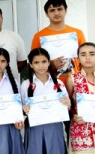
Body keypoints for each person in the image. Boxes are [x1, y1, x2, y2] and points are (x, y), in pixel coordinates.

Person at [30, 0, 86, 141]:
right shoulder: (39, 36)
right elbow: (34, 62)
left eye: (59, 9)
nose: (56, 13)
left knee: (76, 131)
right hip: (51, 89)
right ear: (46, 14)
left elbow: (85, 58)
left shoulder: (77, 33)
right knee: (53, 133)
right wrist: (51, 66)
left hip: (75, 86)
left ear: (65, 11)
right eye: (52, 10)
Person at [21, 48, 70, 154]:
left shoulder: (59, 83)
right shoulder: (25, 85)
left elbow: (66, 106)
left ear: (49, 62)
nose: (41, 65)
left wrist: (68, 104)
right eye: (36, 62)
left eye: (44, 61)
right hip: (34, 127)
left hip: (54, 127)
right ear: (31, 65)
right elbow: (21, 109)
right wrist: (24, 109)